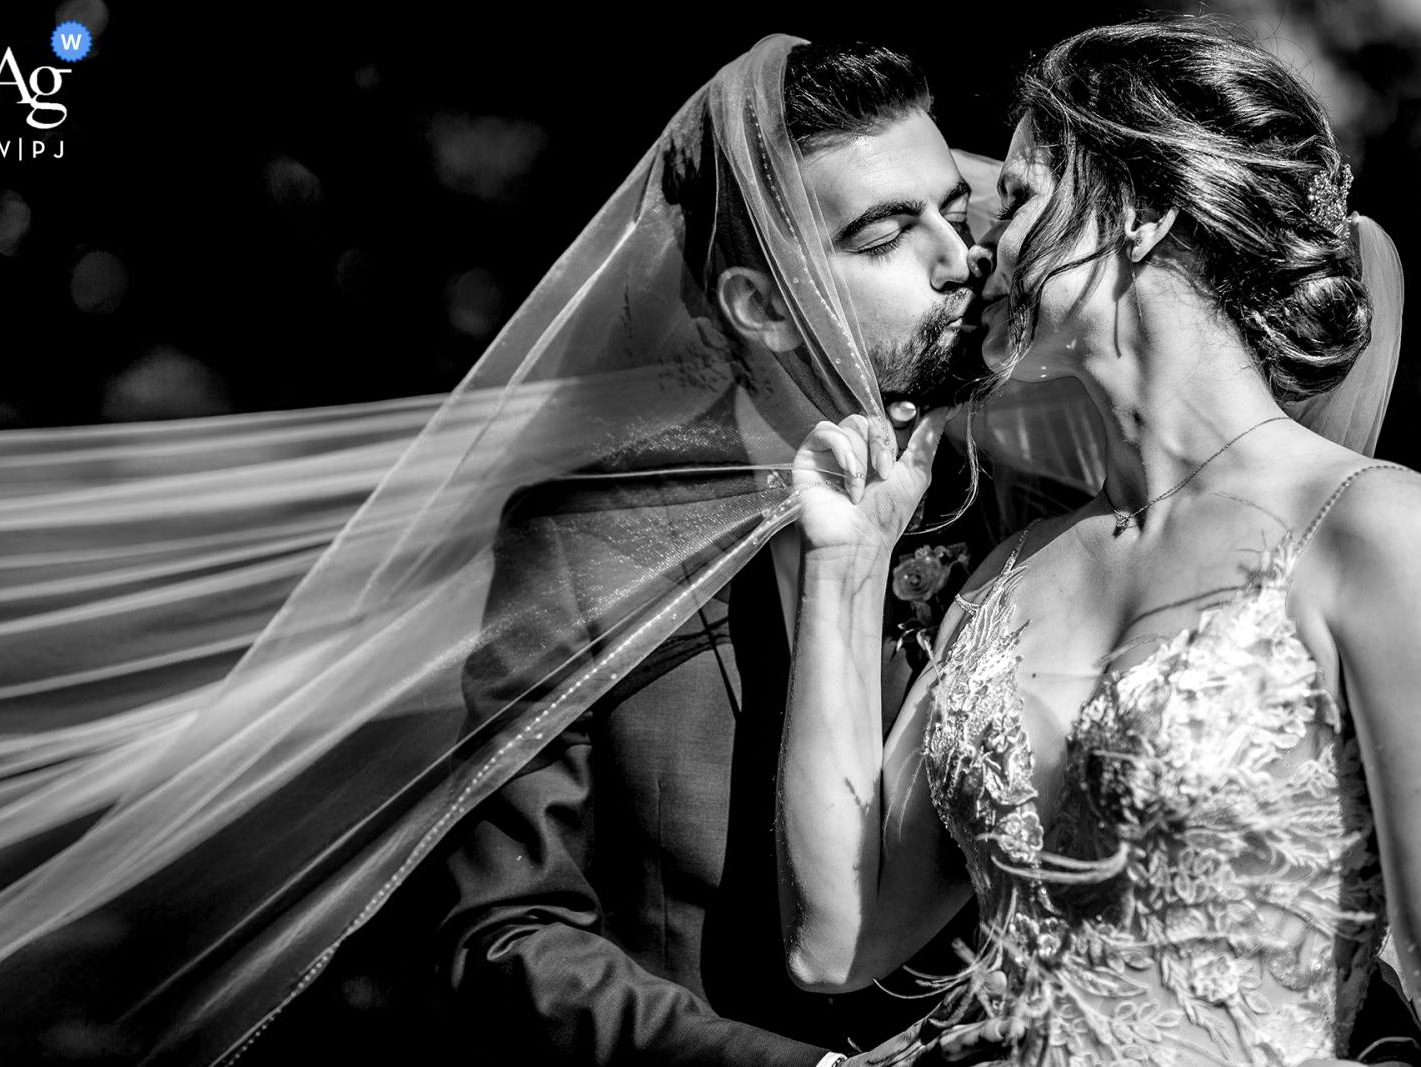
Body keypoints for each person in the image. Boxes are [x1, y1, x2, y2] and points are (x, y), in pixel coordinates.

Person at [778, 17, 1421, 1067]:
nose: (978, 251)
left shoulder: (1379, 534)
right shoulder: (1013, 570)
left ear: (1135, 214)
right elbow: (839, 938)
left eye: (1015, 198)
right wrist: (847, 560)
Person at [434, 39, 1022, 1067]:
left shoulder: (1024, 515)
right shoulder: (586, 540)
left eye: (957, 214)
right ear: (758, 306)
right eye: (888, 233)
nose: (956, 258)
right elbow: (506, 934)